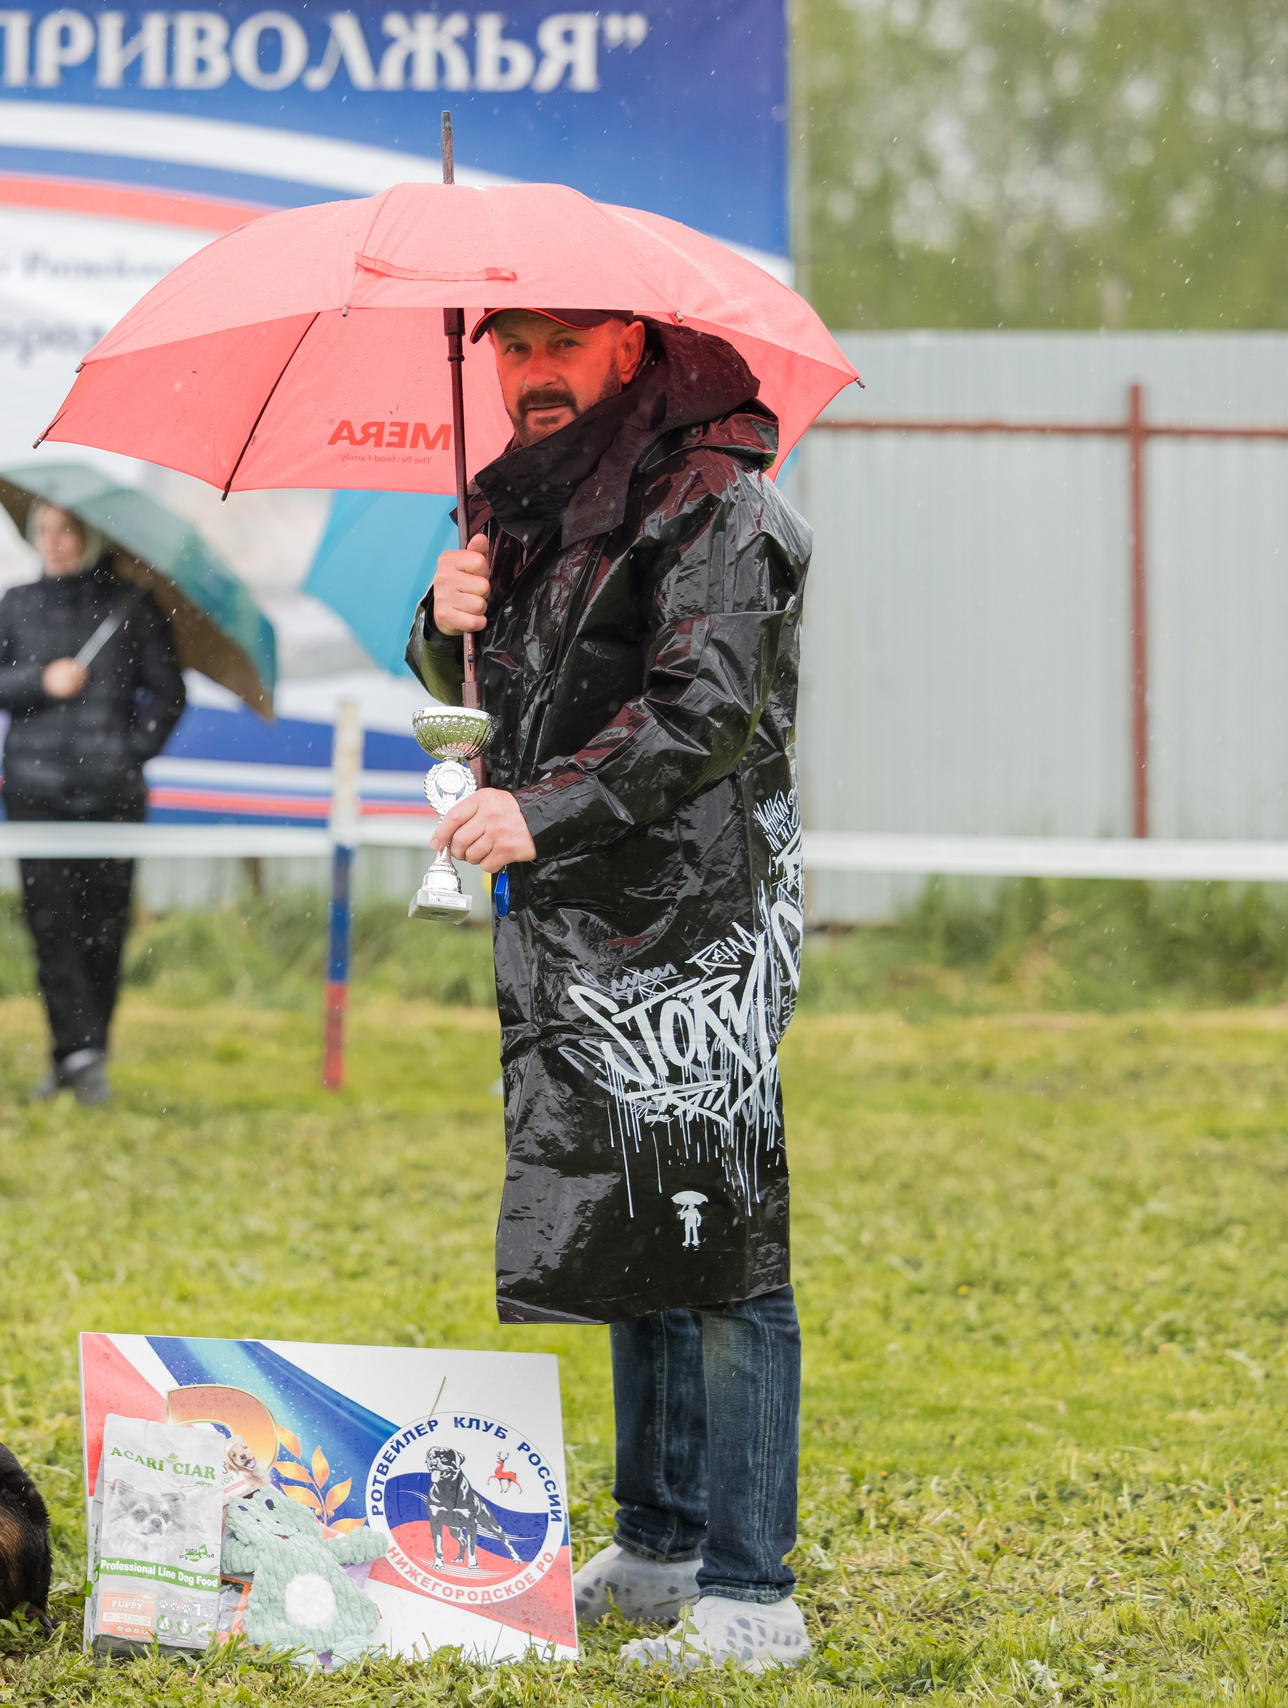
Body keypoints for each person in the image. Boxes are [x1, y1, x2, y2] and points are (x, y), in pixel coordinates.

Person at [410, 308, 814, 1673]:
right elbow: (502, 697)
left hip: (700, 914)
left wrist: (541, 808)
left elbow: (706, 711)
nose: (532, 369)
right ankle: (660, 1547)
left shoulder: (717, 499)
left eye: (563, 340)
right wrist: (440, 621)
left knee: (725, 1242)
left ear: (631, 344)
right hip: (581, 910)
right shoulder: (523, 505)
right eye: (510, 344)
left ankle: (754, 1597)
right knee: (639, 1217)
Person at [0, 501, 182, 1105]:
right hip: (33, 791)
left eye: (67, 530)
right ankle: (76, 1054)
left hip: (112, 795)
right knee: (51, 924)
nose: (53, 542)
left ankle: (86, 1053)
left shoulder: (133, 606)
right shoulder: (16, 602)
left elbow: (167, 694)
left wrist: (127, 753)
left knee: (105, 927)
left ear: (91, 534)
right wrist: (40, 679)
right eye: (44, 531)